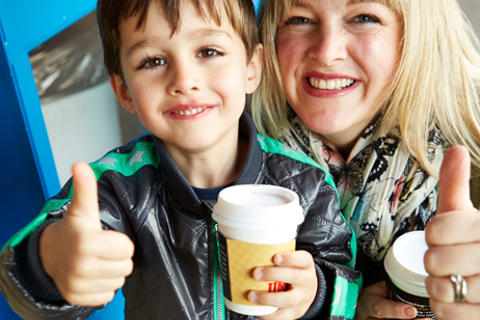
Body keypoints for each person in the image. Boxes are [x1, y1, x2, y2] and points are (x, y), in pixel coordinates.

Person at [0, 0, 361, 319]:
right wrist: (52, 260)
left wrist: (317, 295)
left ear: (251, 67)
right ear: (124, 90)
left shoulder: (305, 181)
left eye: (208, 52)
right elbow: (19, 281)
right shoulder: (117, 188)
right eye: (153, 61)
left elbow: (346, 283)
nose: (184, 80)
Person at [250, 0, 480, 319]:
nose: (327, 52)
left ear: (418, 35)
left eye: (364, 17)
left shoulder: (474, 159)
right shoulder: (228, 167)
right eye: (300, 19)